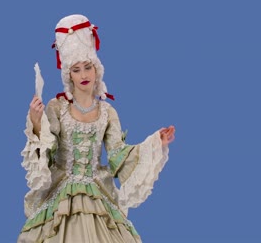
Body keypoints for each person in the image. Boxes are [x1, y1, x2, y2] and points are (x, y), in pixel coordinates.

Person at [18, 14, 176, 243]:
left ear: (96, 69)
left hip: (97, 195)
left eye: (87, 67)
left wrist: (155, 144)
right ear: (68, 75)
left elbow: (118, 155)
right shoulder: (57, 107)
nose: (83, 75)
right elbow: (48, 153)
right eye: (76, 69)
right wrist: (35, 120)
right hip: (63, 196)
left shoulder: (107, 112)